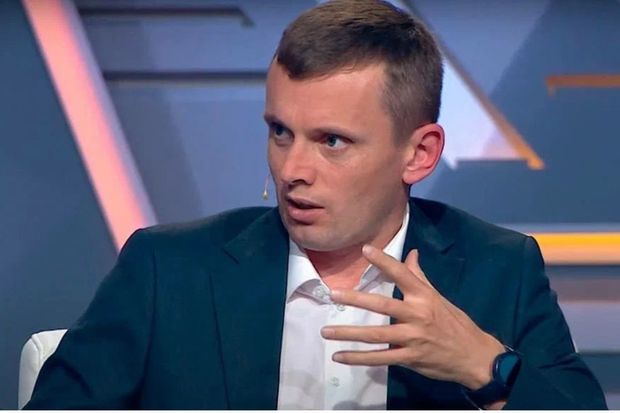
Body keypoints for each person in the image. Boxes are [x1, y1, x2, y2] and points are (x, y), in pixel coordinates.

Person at [26, 0, 606, 409]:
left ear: (419, 154)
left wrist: (487, 368)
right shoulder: (167, 269)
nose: (292, 171)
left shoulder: (498, 270)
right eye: (281, 132)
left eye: (332, 141)